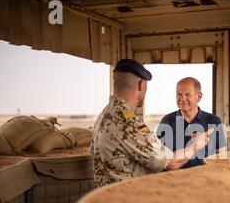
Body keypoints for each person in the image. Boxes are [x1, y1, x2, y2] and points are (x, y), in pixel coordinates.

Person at [91, 59, 212, 187]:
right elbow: (170, 163)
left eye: (188, 94)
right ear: (141, 85)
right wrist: (196, 145)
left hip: (107, 195)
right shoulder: (128, 122)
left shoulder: (105, 114)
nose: (182, 98)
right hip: (128, 199)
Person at [157, 77, 226, 169]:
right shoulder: (166, 121)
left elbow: (222, 157)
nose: (182, 98)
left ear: (199, 96)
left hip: (204, 179)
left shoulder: (214, 121)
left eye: (187, 94)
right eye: (179, 94)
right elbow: (158, 157)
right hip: (172, 178)